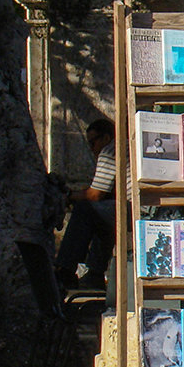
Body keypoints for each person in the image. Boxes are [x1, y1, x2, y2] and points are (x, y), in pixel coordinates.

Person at [55, 118, 117, 290]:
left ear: (105, 138)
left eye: (93, 142)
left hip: (131, 209)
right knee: (100, 216)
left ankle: (65, 268)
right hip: (130, 209)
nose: (92, 148)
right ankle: (95, 273)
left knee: (86, 209)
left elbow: (95, 195)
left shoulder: (110, 151)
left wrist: (70, 196)